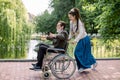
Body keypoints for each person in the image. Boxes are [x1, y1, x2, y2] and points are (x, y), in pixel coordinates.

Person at [68, 8, 97, 73]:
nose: (69, 18)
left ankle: (84, 66)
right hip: (80, 39)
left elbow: (81, 33)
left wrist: (75, 40)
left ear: (74, 16)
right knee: (83, 53)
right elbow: (71, 32)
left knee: (80, 53)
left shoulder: (79, 23)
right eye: (69, 17)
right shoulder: (71, 22)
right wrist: (69, 37)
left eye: (70, 17)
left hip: (84, 39)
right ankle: (84, 66)